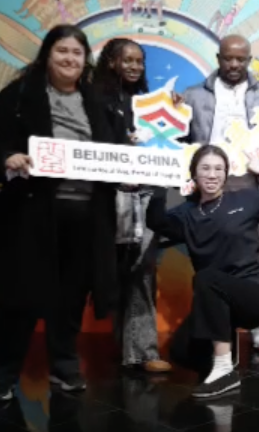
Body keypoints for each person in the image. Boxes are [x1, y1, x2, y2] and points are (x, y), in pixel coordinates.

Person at [0, 24, 125, 402]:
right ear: (47, 55)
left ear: (86, 60)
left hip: (86, 215)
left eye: (77, 53)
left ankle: (65, 366)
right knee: (18, 297)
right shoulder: (20, 94)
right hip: (30, 214)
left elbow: (117, 149)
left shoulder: (99, 100)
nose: (70, 59)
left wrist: (128, 163)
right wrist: (7, 157)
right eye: (62, 51)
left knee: (71, 297)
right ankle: (3, 373)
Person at [146, 146, 259, 397]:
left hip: (253, 297)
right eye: (205, 168)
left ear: (226, 173)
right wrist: (158, 184)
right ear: (194, 174)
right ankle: (222, 363)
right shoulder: (188, 213)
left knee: (207, 278)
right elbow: (155, 222)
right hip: (217, 303)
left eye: (218, 169)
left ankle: (224, 372)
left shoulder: (245, 199)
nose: (212, 174)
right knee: (180, 351)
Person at [176, 33, 259, 351]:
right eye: (228, 58)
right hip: (210, 186)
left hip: (251, 185)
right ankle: (217, 329)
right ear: (218, 58)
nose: (234, 64)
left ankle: (257, 327)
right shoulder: (193, 95)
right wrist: (171, 111)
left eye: (241, 58)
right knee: (210, 258)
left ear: (249, 60)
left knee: (256, 256)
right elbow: (180, 141)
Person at [87, 38, 170, 376]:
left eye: (139, 61)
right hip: (109, 198)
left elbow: (170, 139)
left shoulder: (147, 103)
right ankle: (126, 347)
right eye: (128, 60)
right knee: (112, 271)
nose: (135, 67)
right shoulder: (94, 99)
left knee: (142, 270)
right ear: (111, 62)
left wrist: (172, 112)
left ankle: (142, 350)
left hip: (148, 195)